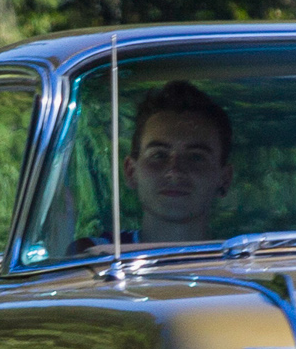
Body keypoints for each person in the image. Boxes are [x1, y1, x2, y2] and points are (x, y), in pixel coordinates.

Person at [80, 79, 237, 250]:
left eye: (196, 157)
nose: (175, 171)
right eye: (159, 155)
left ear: (224, 179)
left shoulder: (251, 263)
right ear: (131, 171)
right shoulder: (88, 257)